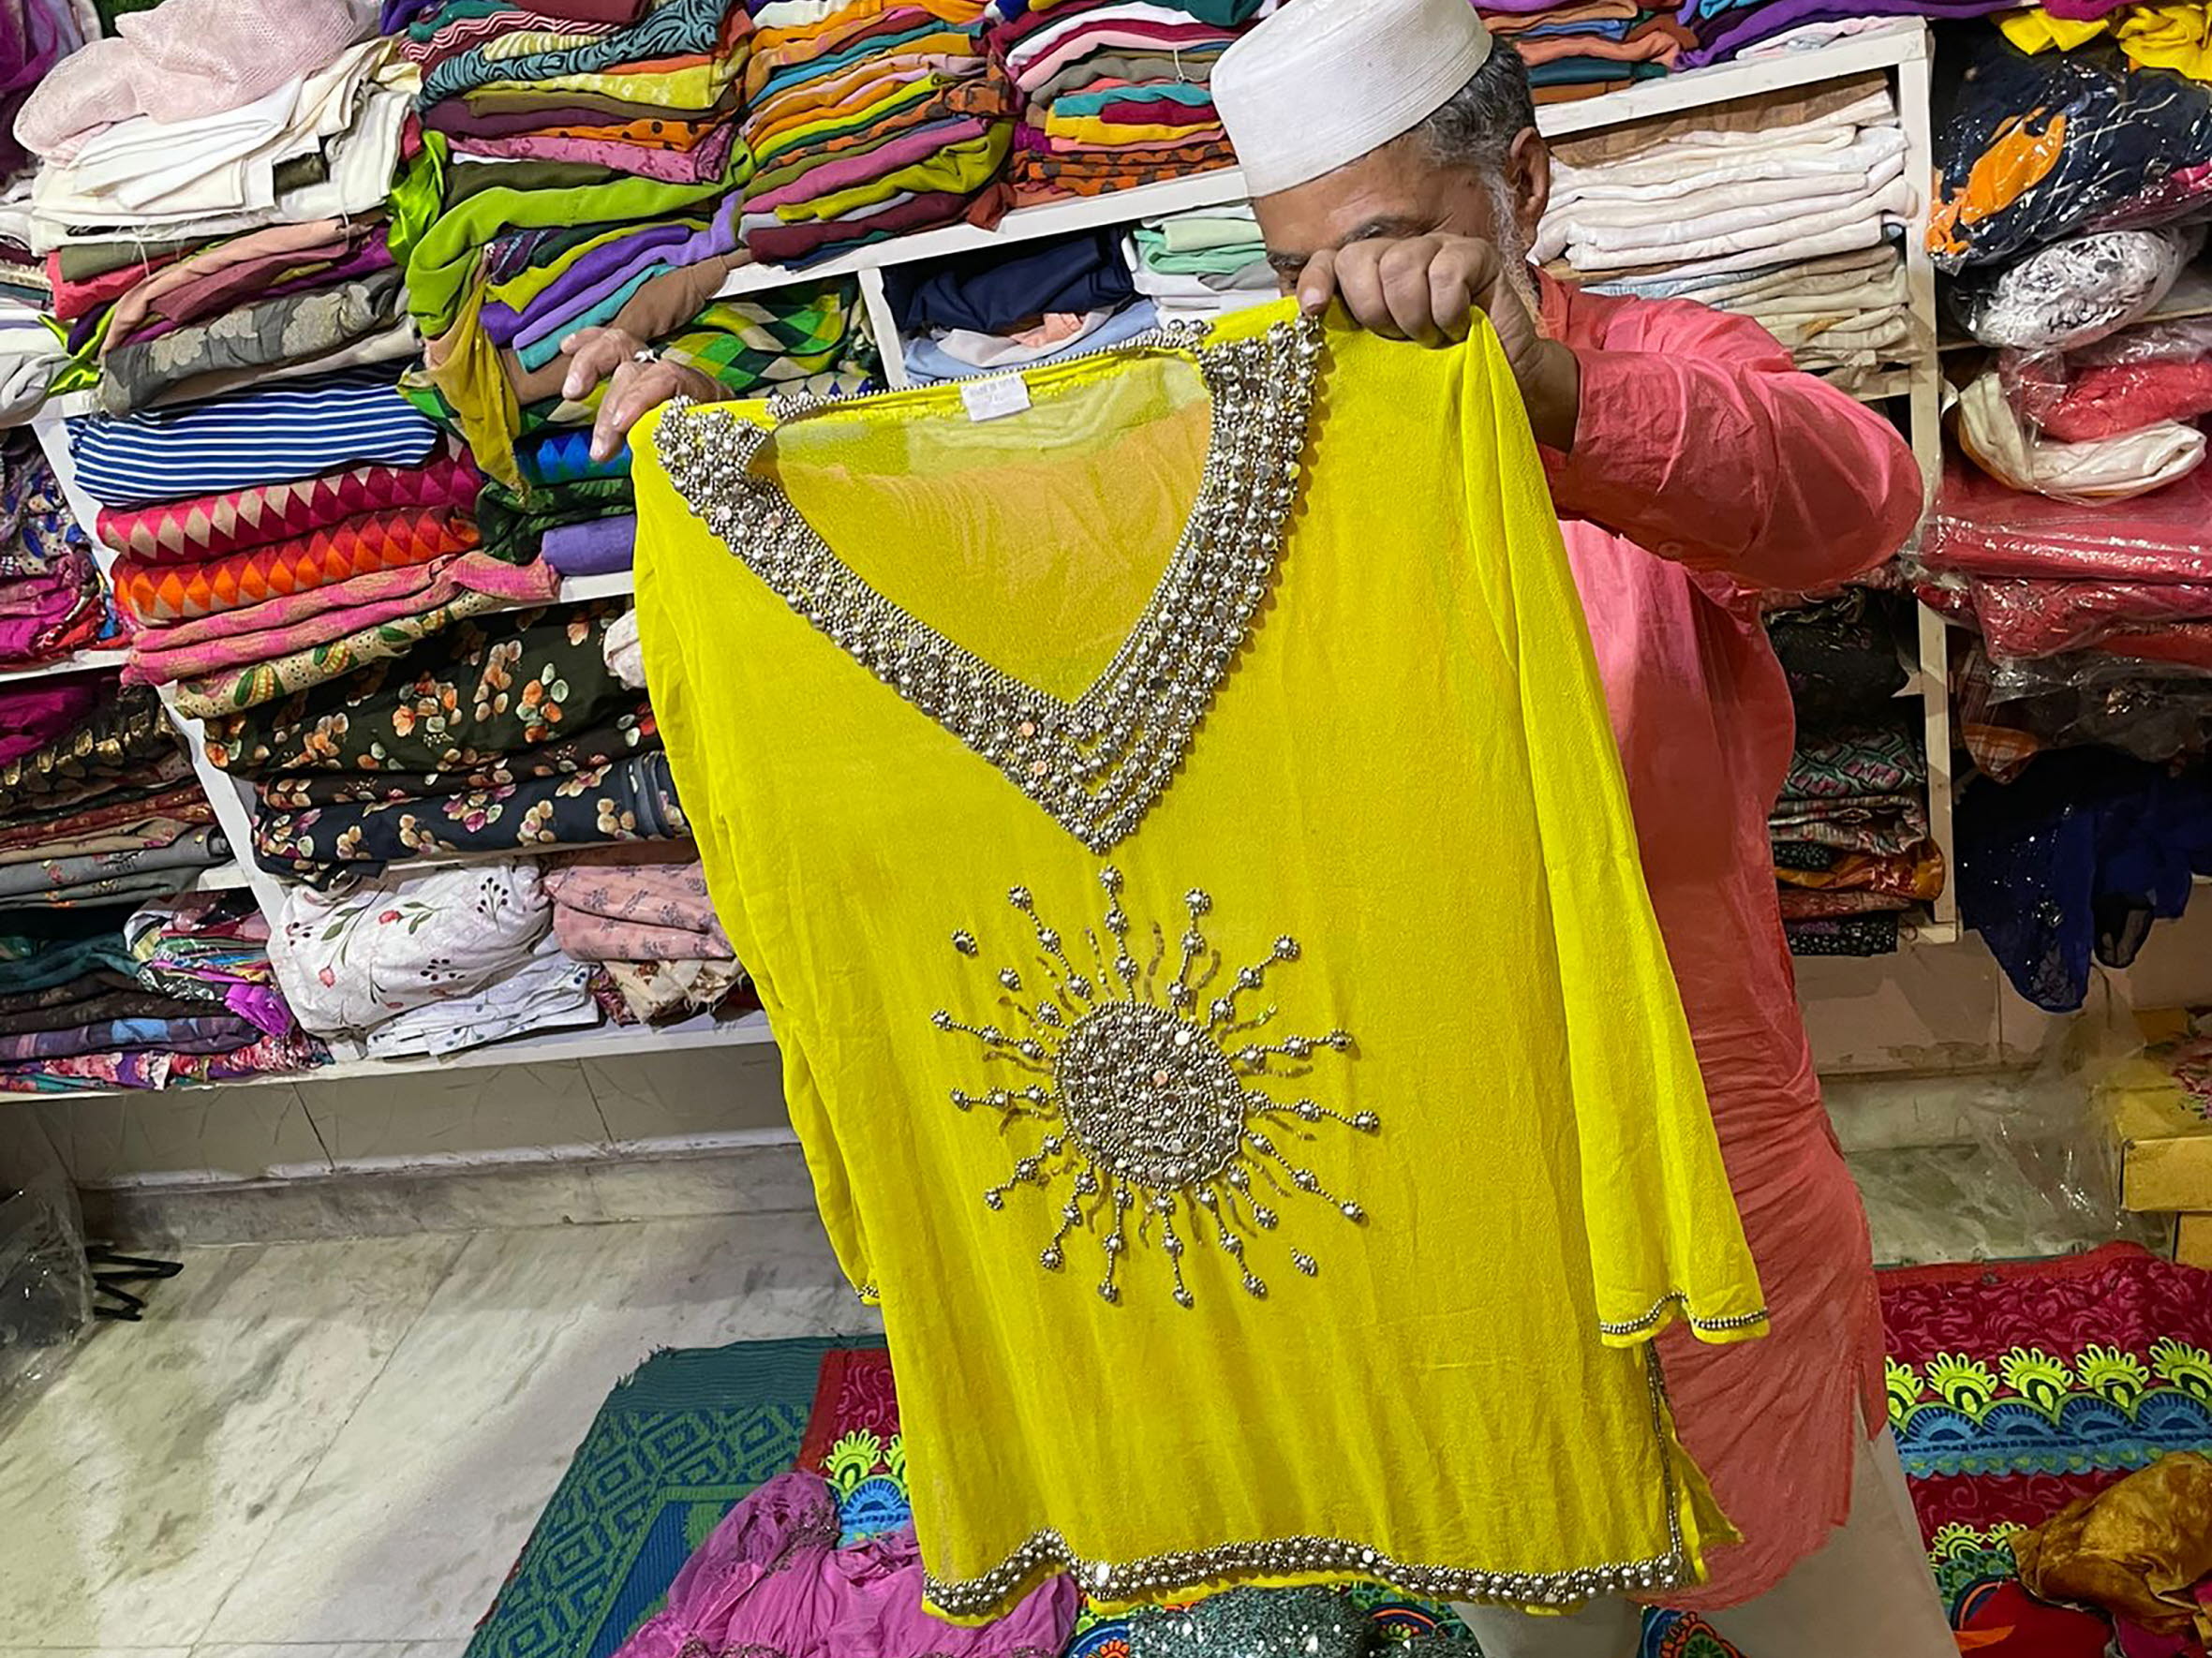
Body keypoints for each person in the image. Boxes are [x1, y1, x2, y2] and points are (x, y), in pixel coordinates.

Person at [558, 0, 1946, 1650]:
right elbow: (999, 533)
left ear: (1521, 177)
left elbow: (1851, 496)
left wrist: (1548, 398)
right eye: (1298, 263)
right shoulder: (1271, 423)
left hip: (1697, 1128)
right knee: (1521, 1576)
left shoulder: (1640, 365)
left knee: (1820, 1579)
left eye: (1382, 242)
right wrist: (714, 469)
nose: (1341, 299)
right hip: (1411, 1166)